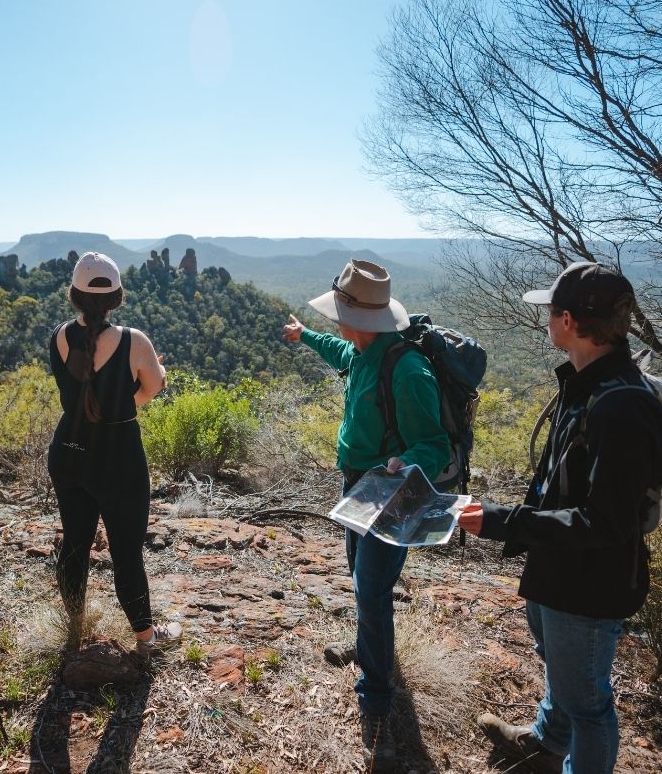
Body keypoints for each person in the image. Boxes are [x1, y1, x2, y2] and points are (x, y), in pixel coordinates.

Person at [458, 263, 662, 774]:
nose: (547, 319)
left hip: (589, 582)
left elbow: (606, 523)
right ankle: (547, 744)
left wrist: (504, 522)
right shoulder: (591, 383)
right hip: (561, 566)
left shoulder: (620, 406)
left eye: (551, 310)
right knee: (564, 671)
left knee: (588, 706)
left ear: (568, 320)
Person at [283, 259, 450, 768]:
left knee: (371, 589)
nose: (335, 323)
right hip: (356, 485)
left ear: (357, 318)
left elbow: (435, 445)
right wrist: (305, 336)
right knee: (358, 572)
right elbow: (337, 350)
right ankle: (370, 647)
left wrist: (407, 461)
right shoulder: (361, 349)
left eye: (337, 316)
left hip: (392, 493)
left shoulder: (408, 370)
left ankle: (376, 704)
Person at [47, 252, 181, 651]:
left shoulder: (58, 335)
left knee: (74, 543)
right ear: (117, 297)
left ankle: (74, 626)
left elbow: (80, 390)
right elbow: (151, 389)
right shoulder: (132, 340)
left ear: (74, 295)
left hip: (68, 450)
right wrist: (142, 386)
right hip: (118, 458)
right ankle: (146, 637)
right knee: (126, 552)